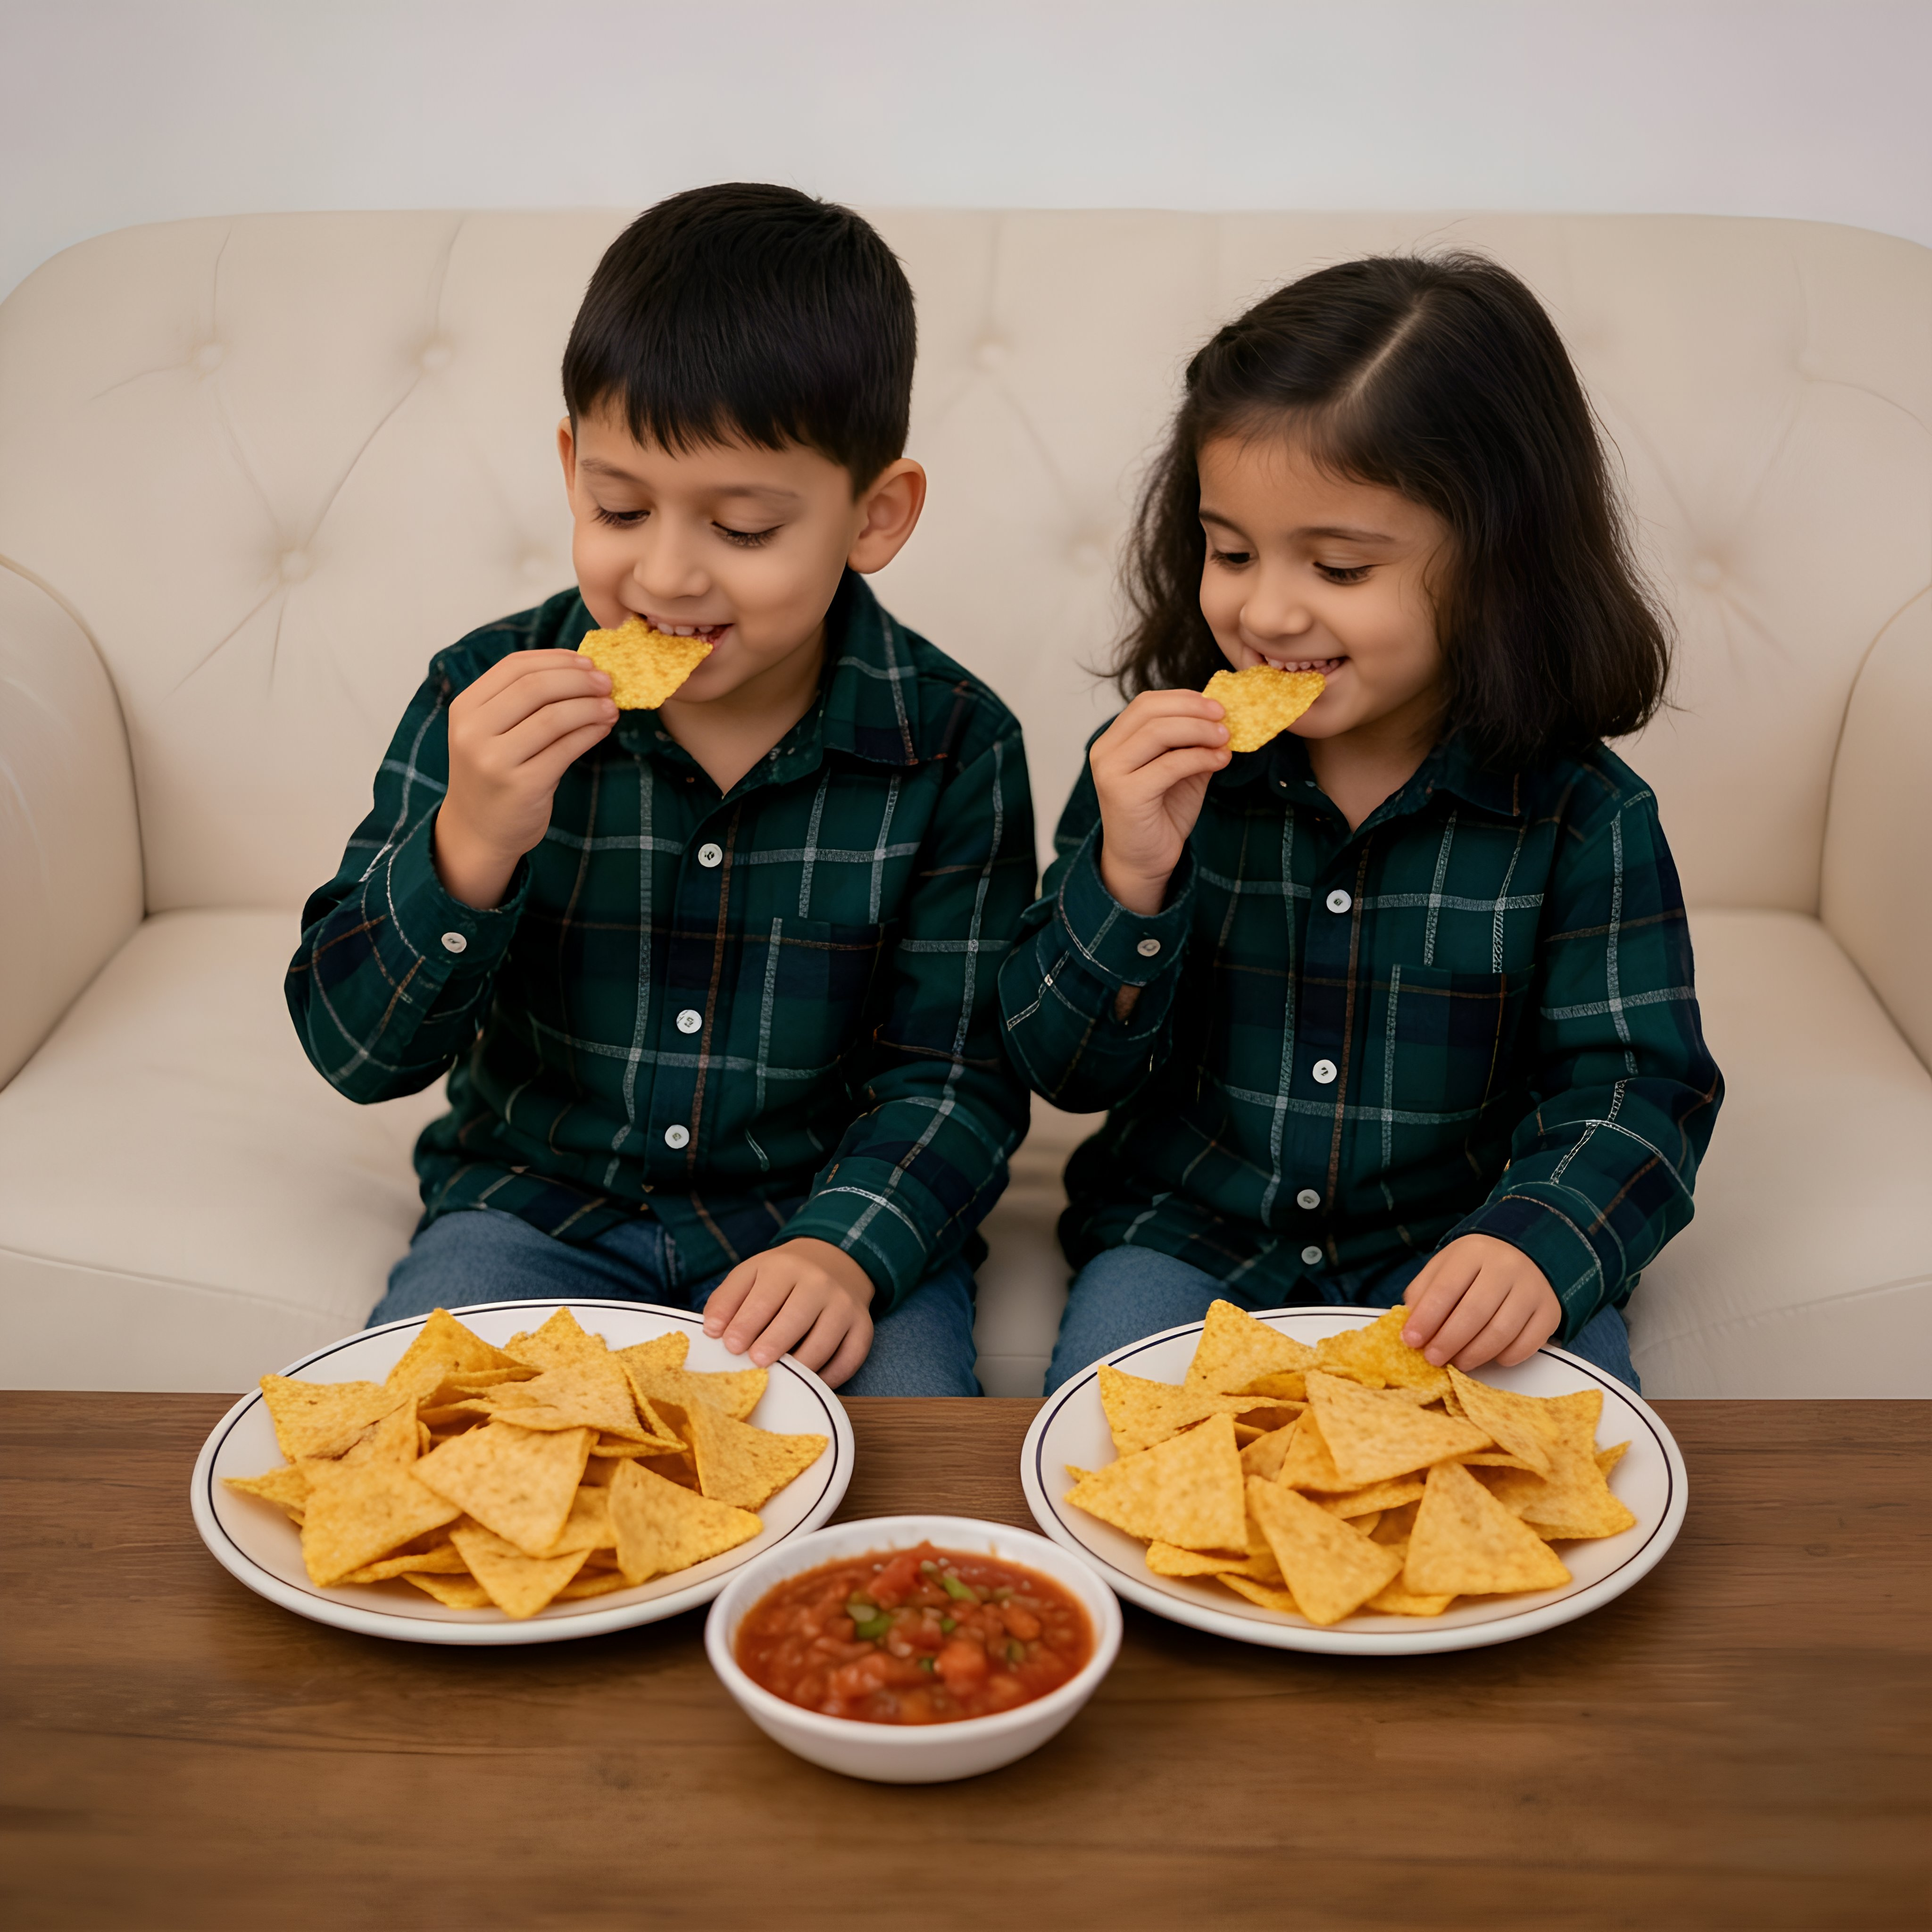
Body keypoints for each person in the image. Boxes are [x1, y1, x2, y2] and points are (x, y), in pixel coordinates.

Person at [288, 184, 1035, 1393]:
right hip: (535, 1211)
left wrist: (845, 1250)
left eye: (742, 528)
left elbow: (951, 1075)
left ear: (875, 515)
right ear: (571, 465)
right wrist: (468, 841)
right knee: (419, 1462)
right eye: (621, 508)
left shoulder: (952, 743)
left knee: (910, 1511)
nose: (667, 573)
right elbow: (354, 1051)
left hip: (818, 1224)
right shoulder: (482, 693)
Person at [999, 253, 1722, 1395]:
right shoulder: (1155, 771)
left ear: (1496, 562)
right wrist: (1127, 881)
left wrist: (1535, 1238)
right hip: (1187, 1236)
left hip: (1454, 1252)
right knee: (1107, 1461)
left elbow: (1638, 1088)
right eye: (1229, 551)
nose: (1266, 609)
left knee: (1555, 1487)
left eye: (1336, 565)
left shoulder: (1584, 817)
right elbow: (1065, 1070)